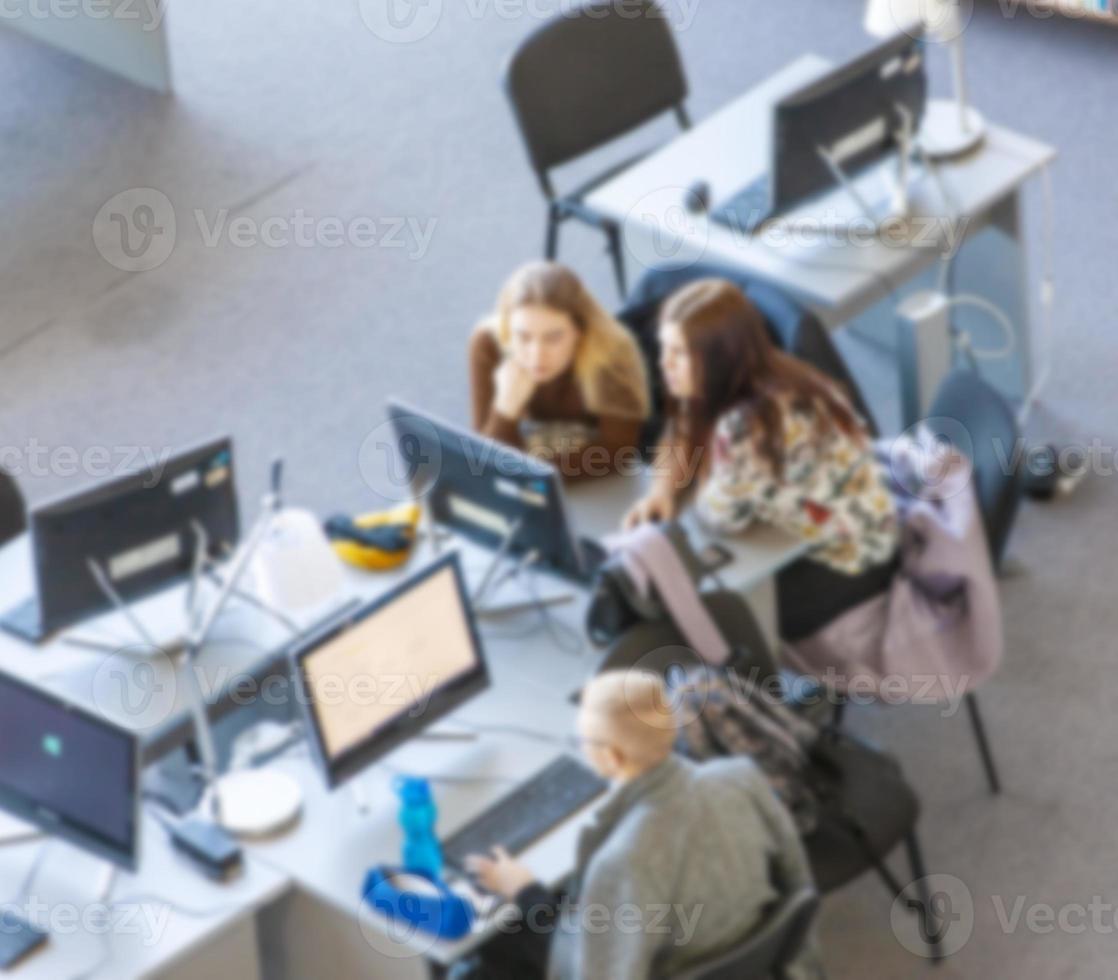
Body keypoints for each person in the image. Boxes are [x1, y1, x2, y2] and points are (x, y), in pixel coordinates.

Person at [458, 670, 824, 980]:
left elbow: (593, 969)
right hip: (760, 960)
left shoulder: (623, 861)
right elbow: (799, 884)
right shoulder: (742, 778)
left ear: (610, 757)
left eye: (583, 741)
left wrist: (525, 892)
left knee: (497, 941)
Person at [623, 279, 898, 639]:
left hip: (852, 563)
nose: (664, 364)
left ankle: (758, 692)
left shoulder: (749, 426)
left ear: (716, 357)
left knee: (706, 614)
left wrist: (702, 465)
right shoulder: (757, 370)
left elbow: (718, 518)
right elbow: (682, 427)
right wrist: (662, 490)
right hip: (848, 522)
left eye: (678, 353)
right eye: (663, 349)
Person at [470, 262, 651, 479]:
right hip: (535, 452)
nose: (536, 355)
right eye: (523, 337)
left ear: (579, 331)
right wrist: (505, 411)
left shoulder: (612, 354)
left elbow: (615, 451)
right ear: (508, 329)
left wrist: (530, 476)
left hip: (590, 466)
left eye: (553, 338)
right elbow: (484, 459)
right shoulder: (489, 344)